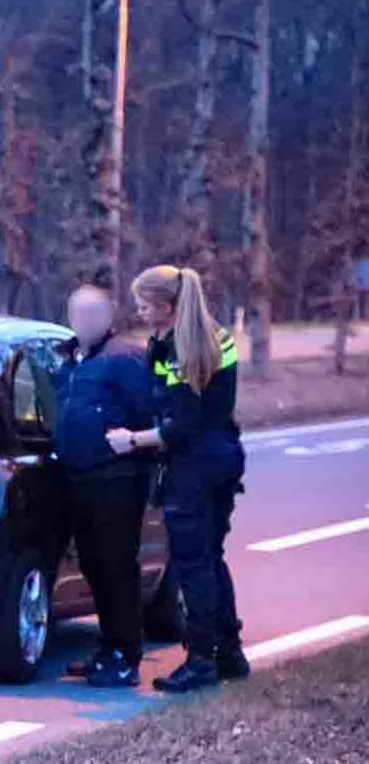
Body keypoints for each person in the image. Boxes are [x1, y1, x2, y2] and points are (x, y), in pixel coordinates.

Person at [105, 265, 249, 693]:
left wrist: (132, 440)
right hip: (222, 457)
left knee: (192, 564)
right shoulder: (215, 338)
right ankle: (229, 652)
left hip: (194, 467)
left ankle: (201, 661)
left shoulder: (181, 349)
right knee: (211, 557)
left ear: (166, 307)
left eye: (145, 304)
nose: (139, 311)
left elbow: (179, 426)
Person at [54, 285, 155, 688]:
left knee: (116, 568)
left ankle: (126, 656)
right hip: (80, 479)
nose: (86, 322)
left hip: (116, 480)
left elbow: (147, 415)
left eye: (95, 315)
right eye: (80, 315)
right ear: (70, 317)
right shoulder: (70, 360)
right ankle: (108, 650)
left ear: (110, 318)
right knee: (95, 567)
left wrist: (134, 451)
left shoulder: (125, 358)